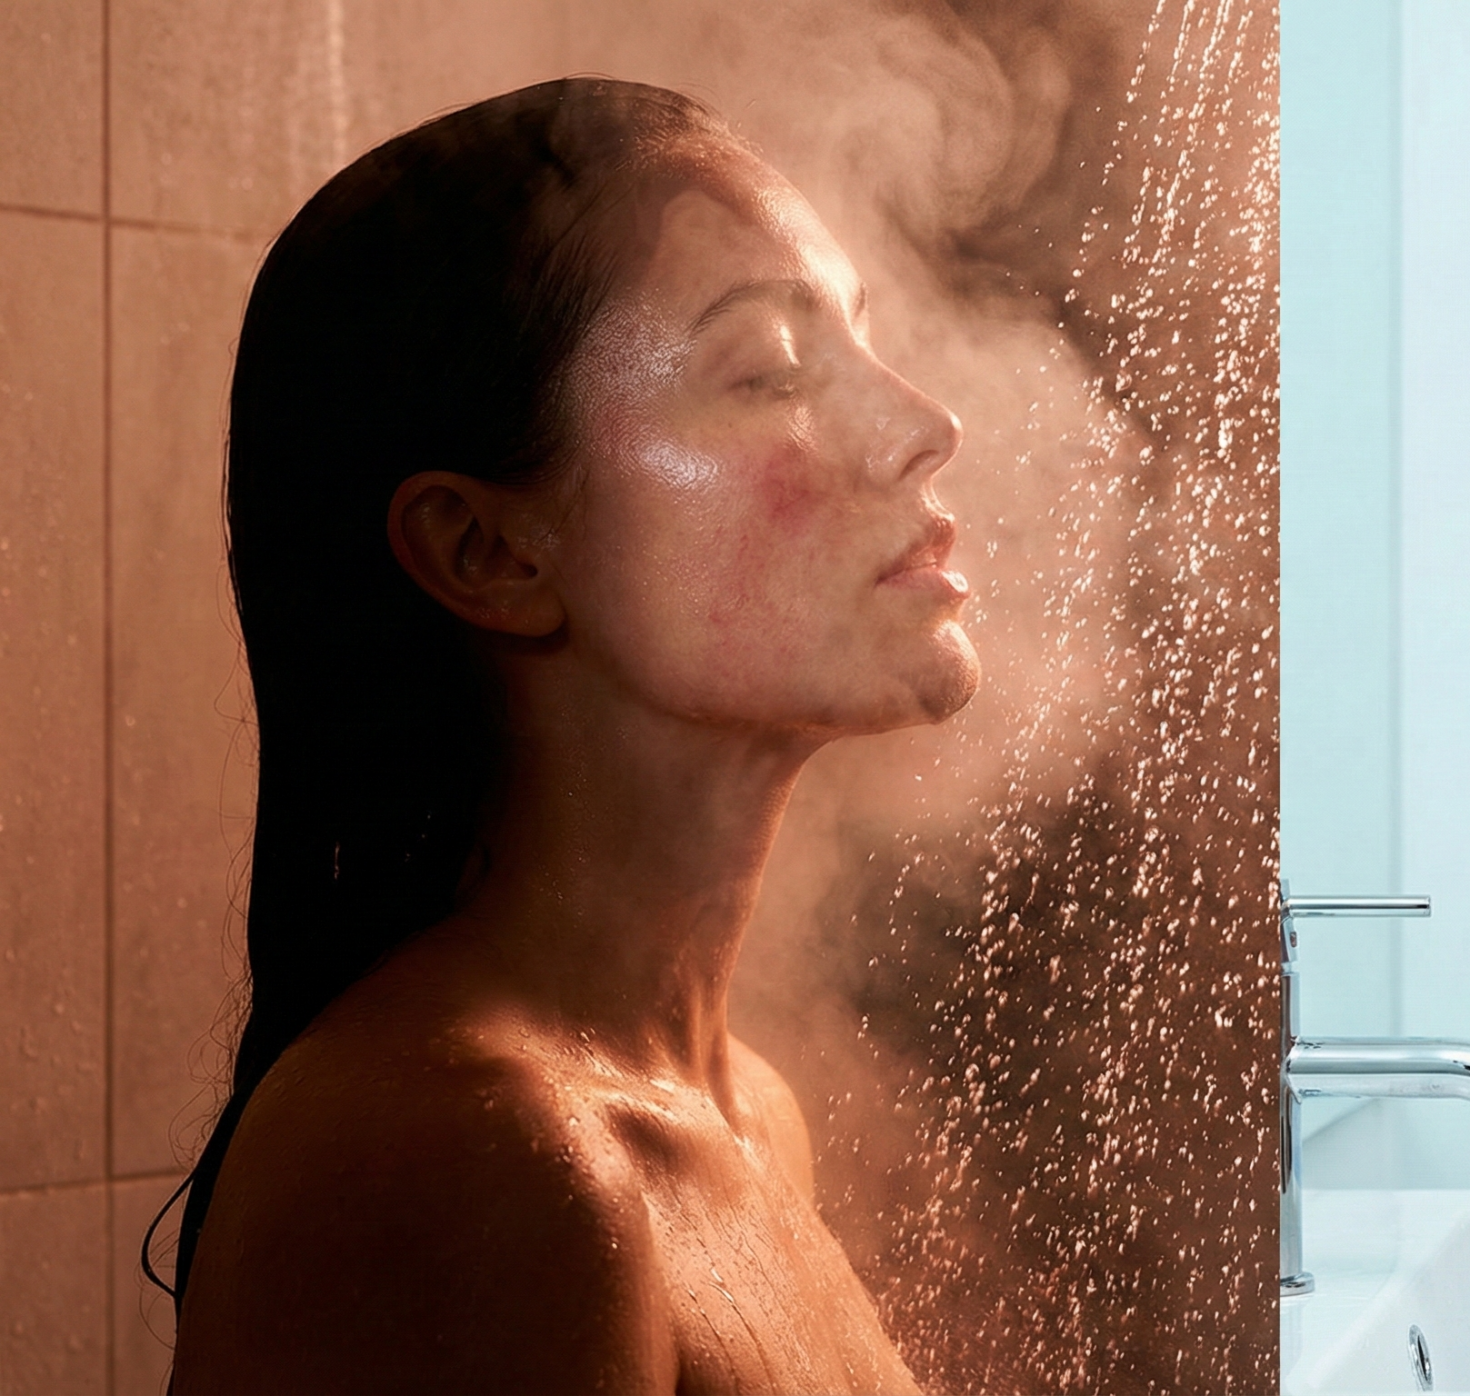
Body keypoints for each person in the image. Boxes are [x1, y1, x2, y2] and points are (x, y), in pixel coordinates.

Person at [159, 78, 972, 1392]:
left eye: (866, 343)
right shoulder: (474, 1154)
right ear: (488, 550)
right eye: (769, 369)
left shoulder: (745, 1112)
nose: (927, 428)